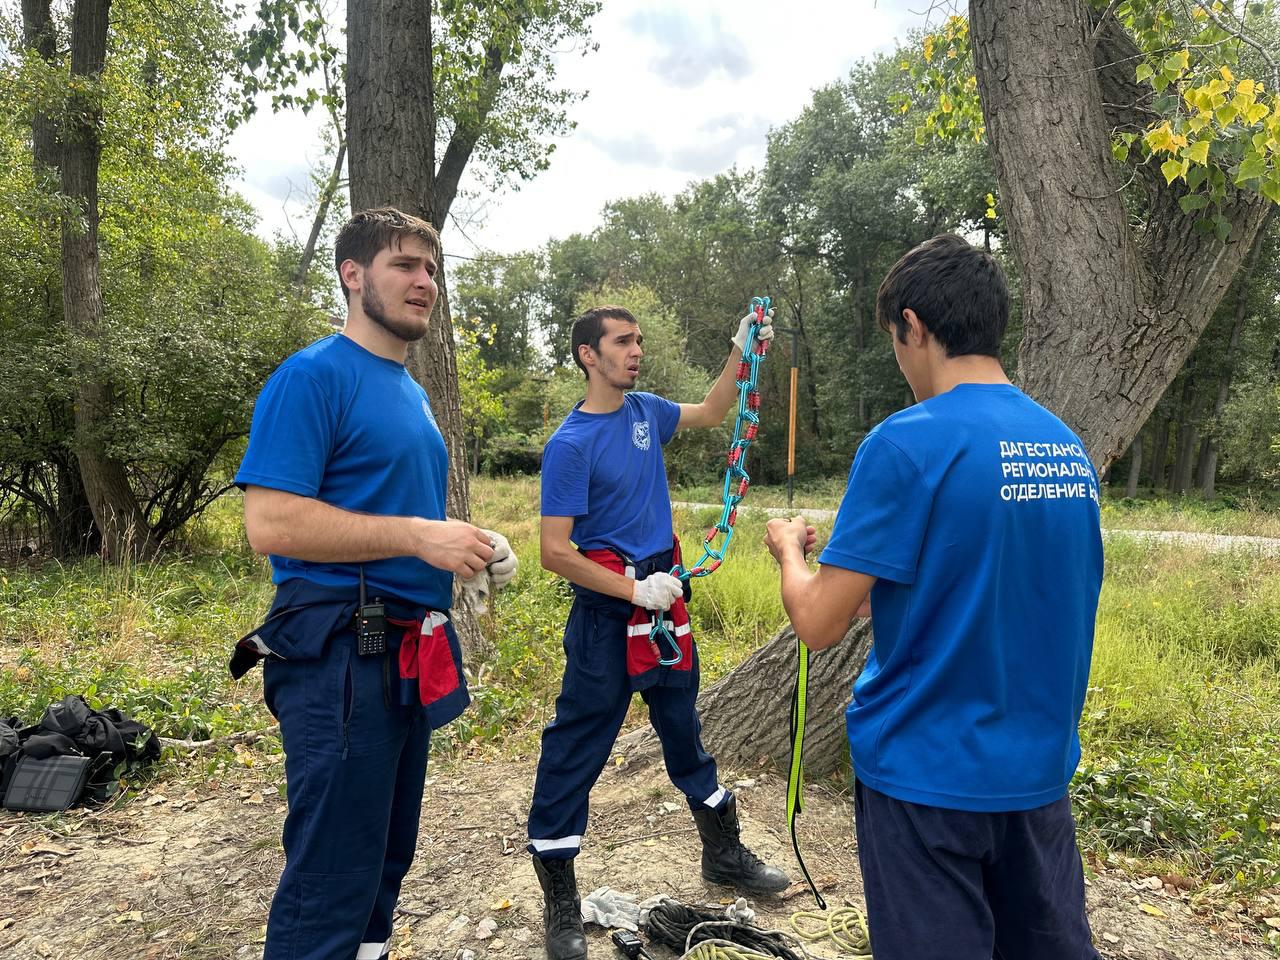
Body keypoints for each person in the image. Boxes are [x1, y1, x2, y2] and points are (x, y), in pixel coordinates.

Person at [764, 234, 1104, 960]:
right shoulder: (1065, 446)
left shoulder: (904, 443)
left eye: (895, 341)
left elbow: (818, 622)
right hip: (1037, 774)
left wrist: (790, 552)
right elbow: (994, 581)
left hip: (926, 779)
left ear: (913, 327)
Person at [232, 207, 518, 960]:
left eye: (431, 268)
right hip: (338, 654)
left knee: (384, 862)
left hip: (404, 652)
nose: (425, 282)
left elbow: (396, 519)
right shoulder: (313, 376)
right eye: (404, 265)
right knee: (333, 875)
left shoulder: (409, 392)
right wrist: (419, 536)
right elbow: (272, 524)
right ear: (353, 275)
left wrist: (471, 544)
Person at [531, 304, 790, 960]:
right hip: (606, 616)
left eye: (639, 340)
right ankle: (560, 893)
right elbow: (555, 552)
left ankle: (723, 853)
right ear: (589, 355)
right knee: (576, 746)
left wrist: (741, 347)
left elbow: (710, 410)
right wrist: (631, 589)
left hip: (664, 606)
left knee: (684, 731)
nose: (635, 351)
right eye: (623, 342)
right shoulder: (569, 445)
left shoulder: (646, 412)